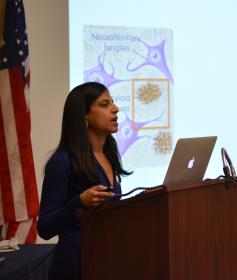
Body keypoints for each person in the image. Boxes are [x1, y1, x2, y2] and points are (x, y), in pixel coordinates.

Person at [37, 82, 131, 280]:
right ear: (84, 115)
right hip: (75, 264)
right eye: (105, 104)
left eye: (113, 102)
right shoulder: (62, 161)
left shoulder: (109, 153)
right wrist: (78, 203)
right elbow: (45, 228)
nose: (115, 108)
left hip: (107, 259)